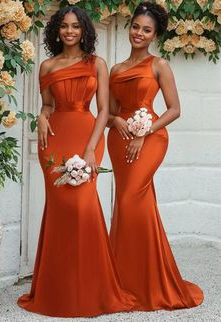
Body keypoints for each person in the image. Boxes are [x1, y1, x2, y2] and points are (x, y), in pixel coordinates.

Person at [17, 6, 138, 318]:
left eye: (75, 27)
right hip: (54, 140)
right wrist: (42, 118)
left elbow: (102, 112)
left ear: (84, 30)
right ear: (56, 30)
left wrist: (90, 150)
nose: (69, 32)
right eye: (64, 26)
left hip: (87, 137)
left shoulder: (97, 63)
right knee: (61, 211)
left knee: (83, 208)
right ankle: (57, 290)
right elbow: (46, 105)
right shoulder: (46, 66)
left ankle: (92, 287)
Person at [107, 1, 204, 311]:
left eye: (146, 30)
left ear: (155, 35)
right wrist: (118, 121)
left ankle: (147, 281)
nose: (139, 33)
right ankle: (122, 279)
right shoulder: (115, 69)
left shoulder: (159, 65)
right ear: (130, 26)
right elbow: (107, 113)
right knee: (128, 202)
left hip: (150, 138)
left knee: (129, 199)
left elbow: (175, 109)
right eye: (136, 26)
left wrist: (144, 131)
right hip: (120, 138)